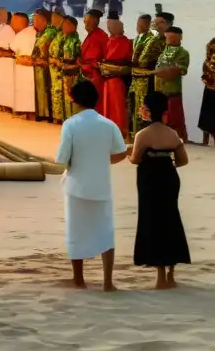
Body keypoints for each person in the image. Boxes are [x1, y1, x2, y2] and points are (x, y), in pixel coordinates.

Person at [55, 80, 127, 292]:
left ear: (75, 100)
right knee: (106, 232)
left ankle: (79, 279)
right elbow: (120, 152)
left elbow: (62, 158)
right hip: (101, 186)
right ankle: (108, 282)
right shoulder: (108, 124)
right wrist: (102, 161)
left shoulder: (70, 124)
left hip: (76, 186)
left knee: (76, 231)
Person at [130, 91, 190, 289]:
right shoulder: (172, 133)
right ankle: (171, 274)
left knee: (152, 221)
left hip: (149, 178)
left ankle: (160, 276)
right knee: (171, 219)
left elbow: (136, 159)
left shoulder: (143, 134)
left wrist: (130, 154)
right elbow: (183, 160)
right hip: (169, 176)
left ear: (146, 111)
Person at [99, 15, 133, 139]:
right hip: (107, 78)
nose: (109, 28)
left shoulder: (125, 42)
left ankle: (120, 131)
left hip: (117, 78)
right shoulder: (109, 40)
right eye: (108, 25)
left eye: (111, 25)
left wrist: (110, 67)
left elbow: (125, 62)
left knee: (117, 106)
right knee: (107, 105)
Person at [154, 25, 190, 141]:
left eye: (172, 38)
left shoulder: (182, 52)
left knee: (175, 117)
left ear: (180, 38)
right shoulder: (164, 50)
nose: (169, 40)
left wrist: (160, 71)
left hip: (172, 91)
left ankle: (179, 139)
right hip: (159, 90)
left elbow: (178, 70)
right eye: (168, 37)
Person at [78, 9, 108, 116]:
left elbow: (97, 58)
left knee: (95, 104)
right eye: (85, 21)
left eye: (87, 21)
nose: (85, 23)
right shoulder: (91, 35)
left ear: (95, 20)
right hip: (87, 74)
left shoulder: (100, 36)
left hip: (95, 76)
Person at [31, 8, 58, 121]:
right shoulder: (40, 33)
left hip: (46, 65)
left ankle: (47, 114)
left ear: (43, 20)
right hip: (39, 65)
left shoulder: (49, 32)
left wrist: (32, 59)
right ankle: (42, 113)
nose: (33, 21)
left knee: (45, 88)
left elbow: (41, 49)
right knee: (40, 89)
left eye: (36, 19)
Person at [9, 13, 36, 117]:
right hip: (32, 66)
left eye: (13, 21)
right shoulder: (34, 32)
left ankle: (25, 112)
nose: (11, 25)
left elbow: (13, 49)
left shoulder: (21, 35)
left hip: (24, 66)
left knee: (24, 90)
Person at [199, 36, 215, 146]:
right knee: (208, 114)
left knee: (207, 115)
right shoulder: (212, 44)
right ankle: (205, 141)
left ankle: (205, 142)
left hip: (210, 86)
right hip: (210, 86)